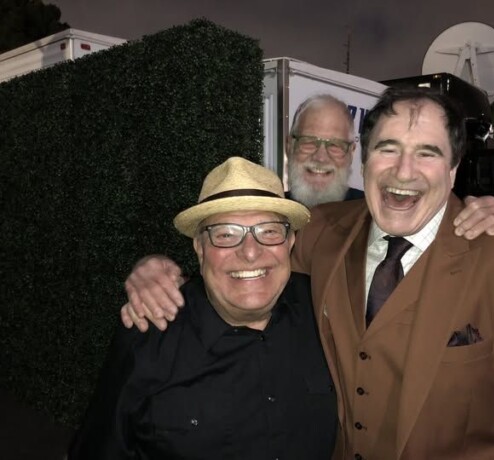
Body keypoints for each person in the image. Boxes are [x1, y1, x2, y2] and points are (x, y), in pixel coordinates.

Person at [121, 88, 494, 458]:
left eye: (427, 153)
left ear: (453, 169)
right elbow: (245, 259)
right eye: (388, 149)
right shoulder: (320, 232)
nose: (404, 171)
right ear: (365, 161)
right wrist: (155, 268)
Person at [122, 93, 494, 331]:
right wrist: (152, 267)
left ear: (353, 154)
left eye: (335, 145)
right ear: (290, 147)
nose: (321, 157)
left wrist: (491, 220)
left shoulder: (385, 214)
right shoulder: (257, 211)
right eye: (309, 142)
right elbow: (220, 263)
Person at [68, 157, 338, 459]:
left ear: (290, 242)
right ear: (199, 248)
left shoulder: (325, 306)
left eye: (269, 231)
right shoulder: (149, 335)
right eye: (226, 234)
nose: (250, 252)